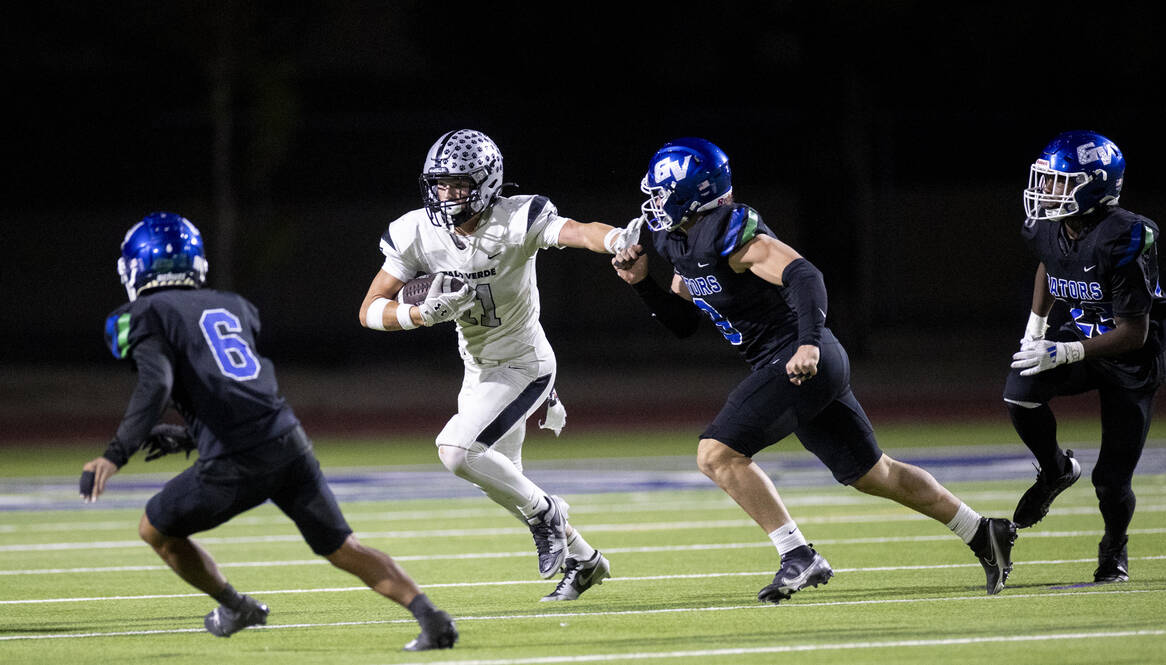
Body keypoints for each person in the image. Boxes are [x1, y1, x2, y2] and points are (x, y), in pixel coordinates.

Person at [610, 137, 1018, 600]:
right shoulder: (677, 239)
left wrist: (807, 345)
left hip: (802, 356)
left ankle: (797, 555)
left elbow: (805, 275)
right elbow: (684, 323)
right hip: (790, 361)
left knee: (716, 453)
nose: (655, 204)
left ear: (694, 192)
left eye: (662, 193)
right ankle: (983, 532)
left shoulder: (729, 230)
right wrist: (643, 286)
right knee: (874, 473)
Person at [81, 212, 458, 651]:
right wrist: (191, 436)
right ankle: (431, 618)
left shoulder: (142, 313)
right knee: (343, 548)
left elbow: (156, 384)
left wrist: (114, 454)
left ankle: (234, 605)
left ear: (135, 267)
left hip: (238, 459)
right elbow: (238, 385)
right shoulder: (233, 305)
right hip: (287, 440)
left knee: (154, 528)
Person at [357, 129, 638, 601]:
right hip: (479, 371)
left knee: (456, 450)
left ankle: (549, 513)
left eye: (459, 184)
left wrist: (613, 238)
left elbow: (576, 231)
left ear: (487, 184)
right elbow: (368, 309)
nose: (448, 195)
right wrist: (420, 314)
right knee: (505, 483)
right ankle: (586, 561)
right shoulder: (415, 232)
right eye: (441, 184)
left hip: (526, 365)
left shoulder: (515, 218)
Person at [1006, 130, 1166, 583]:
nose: (1047, 192)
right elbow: (1049, 261)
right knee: (1019, 391)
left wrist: (1064, 351)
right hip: (1079, 333)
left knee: (1111, 481)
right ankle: (1056, 471)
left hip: (1130, 358)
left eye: (1060, 183)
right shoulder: (1049, 226)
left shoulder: (1125, 236)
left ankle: (1113, 549)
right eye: (1047, 181)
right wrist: (1035, 330)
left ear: (1096, 186)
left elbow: (1134, 333)